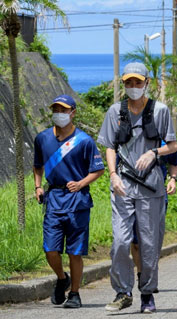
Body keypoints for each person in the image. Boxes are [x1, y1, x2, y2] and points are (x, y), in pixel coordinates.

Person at [97, 62, 177, 313]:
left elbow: (173, 147)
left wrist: (154, 152)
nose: (133, 87)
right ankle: (122, 292)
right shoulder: (115, 112)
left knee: (149, 243)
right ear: (123, 84)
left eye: (137, 82)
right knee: (120, 241)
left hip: (152, 188)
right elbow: (109, 146)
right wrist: (112, 175)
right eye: (128, 83)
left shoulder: (160, 110)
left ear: (147, 83)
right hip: (123, 185)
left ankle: (147, 294)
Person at [33, 95, 105, 308]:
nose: (59, 113)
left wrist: (81, 183)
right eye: (56, 109)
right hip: (54, 198)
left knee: (75, 251)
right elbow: (37, 165)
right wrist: (38, 186)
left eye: (63, 110)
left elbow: (98, 169)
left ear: (72, 112)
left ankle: (74, 293)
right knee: (50, 249)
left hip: (77, 201)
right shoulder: (42, 138)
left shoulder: (84, 141)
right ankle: (61, 278)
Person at [131, 141, 177, 290]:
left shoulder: (163, 143)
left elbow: (174, 162)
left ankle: (149, 275)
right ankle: (141, 274)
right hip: (132, 194)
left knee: (151, 240)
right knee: (135, 241)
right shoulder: (129, 140)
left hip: (156, 194)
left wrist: (173, 178)